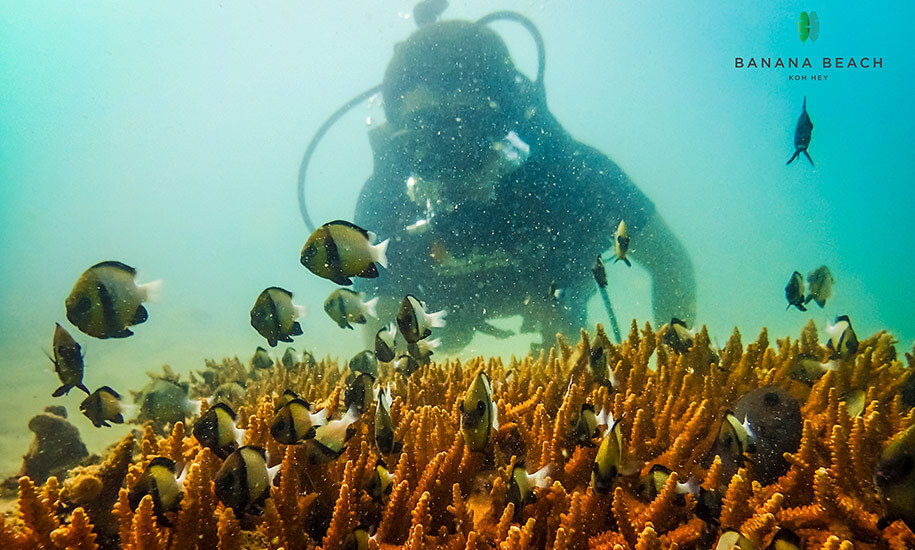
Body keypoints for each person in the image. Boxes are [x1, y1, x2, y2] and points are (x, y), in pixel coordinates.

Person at [351, 18, 696, 353]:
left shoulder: (568, 174)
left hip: (559, 301)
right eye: (428, 132)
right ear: (398, 134)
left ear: (510, 116)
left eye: (469, 127)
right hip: (435, 315)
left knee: (568, 338)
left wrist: (680, 371)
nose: (452, 154)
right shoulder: (385, 202)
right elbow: (379, 335)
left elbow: (670, 262)